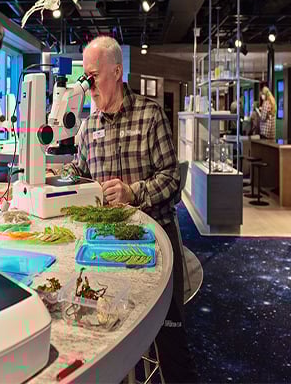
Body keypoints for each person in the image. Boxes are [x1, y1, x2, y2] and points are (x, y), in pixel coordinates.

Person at [61, 36, 193, 382]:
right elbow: (79, 172)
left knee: (171, 343)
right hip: (105, 247)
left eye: (93, 76)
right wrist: (57, 178)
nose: (88, 86)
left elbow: (171, 180)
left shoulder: (150, 115)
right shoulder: (88, 126)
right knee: (108, 336)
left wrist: (133, 192)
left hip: (154, 243)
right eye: (85, 77)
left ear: (117, 72)